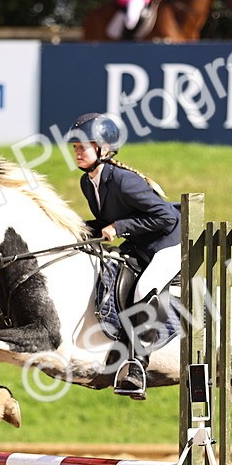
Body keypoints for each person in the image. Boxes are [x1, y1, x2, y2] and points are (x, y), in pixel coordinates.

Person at [65, 112, 181, 399]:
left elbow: (165, 217)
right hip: (139, 244)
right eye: (76, 147)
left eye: (83, 146)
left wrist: (119, 227)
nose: (78, 152)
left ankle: (136, 366)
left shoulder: (123, 180)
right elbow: (106, 220)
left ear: (103, 149)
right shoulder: (88, 182)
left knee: (144, 288)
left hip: (168, 245)